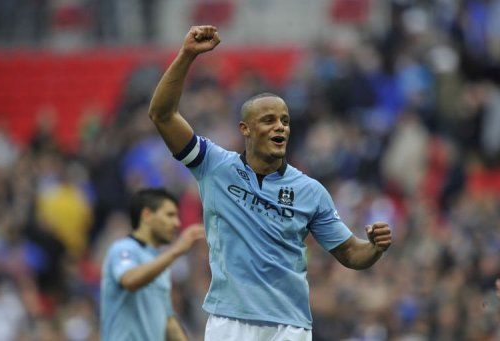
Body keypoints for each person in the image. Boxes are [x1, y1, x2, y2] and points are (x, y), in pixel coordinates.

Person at [148, 25, 393, 341]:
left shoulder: (310, 191)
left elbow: (349, 253)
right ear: (245, 129)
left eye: (285, 121)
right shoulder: (214, 165)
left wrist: (373, 248)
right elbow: (162, 115)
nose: (280, 127)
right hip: (228, 321)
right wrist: (187, 55)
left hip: (288, 327)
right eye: (268, 120)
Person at [100, 188, 204, 341]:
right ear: (147, 215)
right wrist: (175, 251)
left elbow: (168, 321)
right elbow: (130, 280)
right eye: (170, 215)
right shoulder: (124, 249)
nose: (176, 223)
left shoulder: (158, 263)